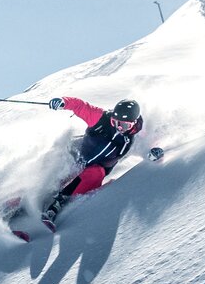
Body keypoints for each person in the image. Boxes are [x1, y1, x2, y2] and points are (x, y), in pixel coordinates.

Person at [38, 95, 163, 229]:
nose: (119, 128)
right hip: (76, 154)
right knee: (57, 169)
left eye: (124, 125)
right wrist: (64, 102)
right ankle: (27, 195)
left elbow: (148, 145)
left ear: (134, 123)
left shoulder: (137, 135)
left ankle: (58, 204)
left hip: (95, 168)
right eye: (115, 122)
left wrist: (154, 152)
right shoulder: (101, 118)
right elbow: (81, 106)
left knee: (95, 174)